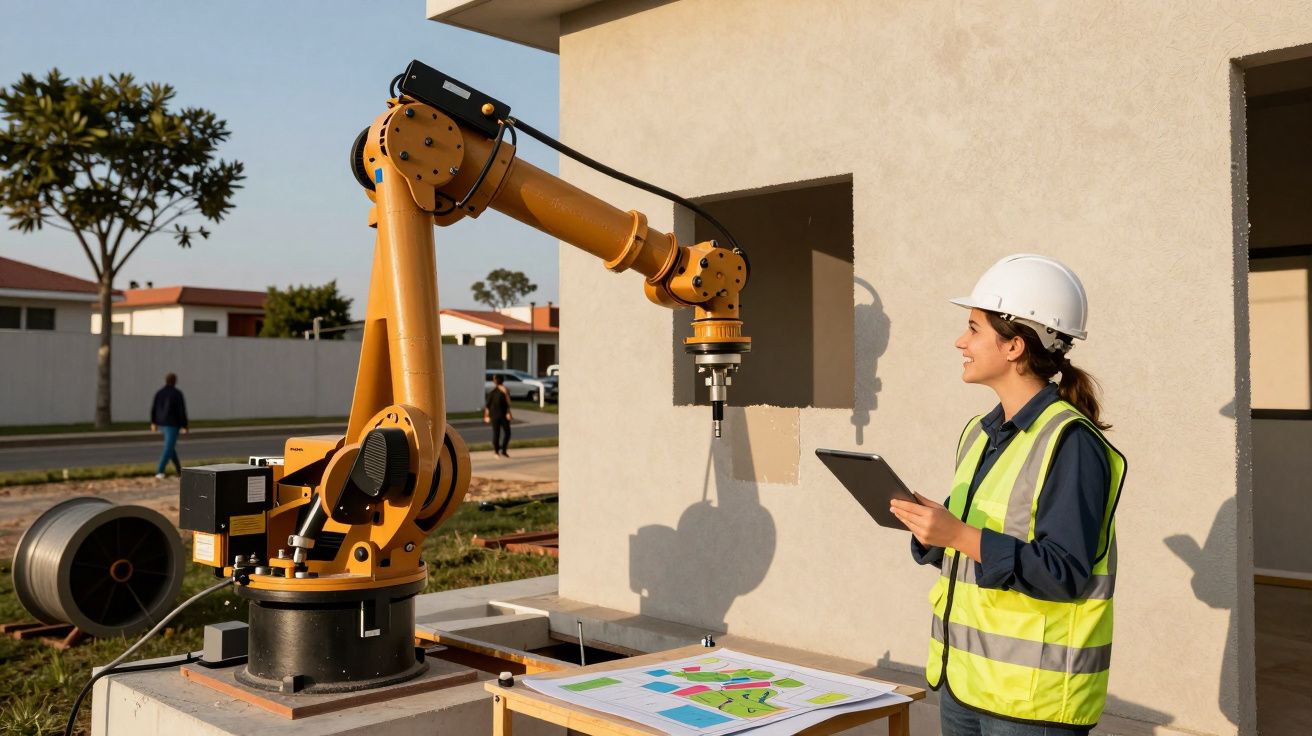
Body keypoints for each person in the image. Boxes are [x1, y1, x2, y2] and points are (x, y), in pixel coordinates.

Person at [889, 254, 1127, 735]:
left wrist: (958, 532)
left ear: (1015, 346)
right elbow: (981, 546)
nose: (961, 341)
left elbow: (1065, 573)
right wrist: (935, 531)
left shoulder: (1071, 443)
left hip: (1032, 706)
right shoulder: (979, 434)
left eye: (973, 328)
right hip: (966, 683)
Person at [150, 372, 189, 478]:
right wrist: (185, 425)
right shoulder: (177, 393)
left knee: (170, 447)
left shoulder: (159, 393)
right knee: (168, 448)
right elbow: (182, 410)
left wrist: (153, 422)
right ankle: (160, 471)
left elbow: (154, 408)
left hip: (161, 423)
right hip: (172, 424)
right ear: (175, 381)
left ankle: (179, 471)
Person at [484, 373, 513, 457]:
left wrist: (506, 393)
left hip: (504, 416)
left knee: (507, 433)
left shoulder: (505, 391)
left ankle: (503, 450)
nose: (494, 381)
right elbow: (487, 406)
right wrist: (486, 416)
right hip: (495, 416)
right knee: (496, 433)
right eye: (494, 379)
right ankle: (496, 451)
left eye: (495, 379)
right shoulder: (492, 392)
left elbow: (509, 403)